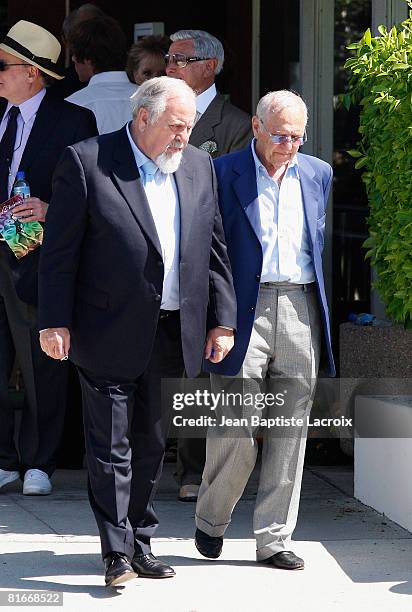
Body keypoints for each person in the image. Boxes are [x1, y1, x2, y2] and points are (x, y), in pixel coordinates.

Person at [38, 76, 236, 587]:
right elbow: (60, 253)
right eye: (175, 126)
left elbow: (214, 249)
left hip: (175, 330)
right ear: (143, 117)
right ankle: (116, 550)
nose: (183, 138)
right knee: (109, 445)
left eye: (188, 128)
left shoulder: (197, 166)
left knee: (151, 443)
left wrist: (224, 319)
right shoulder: (88, 161)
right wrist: (53, 320)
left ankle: (141, 540)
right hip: (105, 327)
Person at [194, 90, 335, 571]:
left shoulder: (318, 173)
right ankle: (212, 518)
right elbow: (208, 249)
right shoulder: (221, 171)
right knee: (235, 424)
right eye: (280, 135)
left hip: (299, 303)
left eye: (297, 136)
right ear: (256, 126)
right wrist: (218, 317)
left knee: (291, 427)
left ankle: (274, 538)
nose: (289, 145)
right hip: (241, 308)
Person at [0, 21, 97, 495]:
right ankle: (3, 457)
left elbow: (92, 196)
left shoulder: (73, 121)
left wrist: (49, 209)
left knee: (42, 362)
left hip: (37, 254)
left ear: (32, 74)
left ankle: (41, 460)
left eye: (5, 66)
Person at [166, 28, 253, 501]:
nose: (171, 66)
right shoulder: (155, 114)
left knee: (201, 363)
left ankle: (192, 470)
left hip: (208, 254)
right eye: (169, 58)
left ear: (210, 66)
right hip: (159, 255)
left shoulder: (236, 124)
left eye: (181, 59)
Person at [66, 15, 137, 134]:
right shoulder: (151, 100)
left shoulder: (73, 105)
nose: (73, 58)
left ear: (88, 59)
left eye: (75, 53)